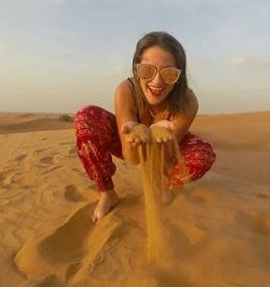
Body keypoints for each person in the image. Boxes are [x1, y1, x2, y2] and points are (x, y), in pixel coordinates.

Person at [74, 31, 216, 222]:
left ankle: (163, 186)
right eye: (147, 70)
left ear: (179, 76)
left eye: (169, 73)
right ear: (136, 68)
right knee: (85, 118)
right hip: (132, 144)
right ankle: (107, 193)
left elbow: (166, 158)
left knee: (202, 155)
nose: (157, 82)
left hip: (165, 150)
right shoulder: (126, 90)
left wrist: (162, 134)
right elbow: (132, 158)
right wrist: (133, 132)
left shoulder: (188, 101)